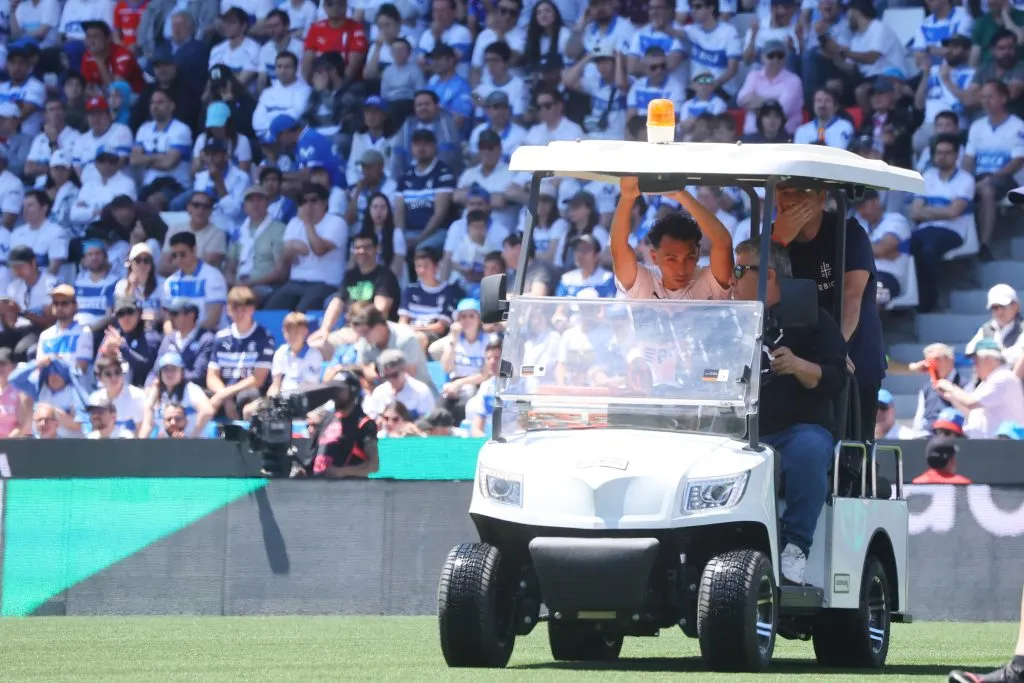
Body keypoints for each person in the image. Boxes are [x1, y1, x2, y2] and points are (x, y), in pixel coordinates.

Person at [731, 237, 847, 585]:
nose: (731, 278)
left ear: (766, 274)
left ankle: (795, 547)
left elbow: (837, 378)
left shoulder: (814, 320)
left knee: (809, 448)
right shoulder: (733, 321)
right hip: (742, 431)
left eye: (739, 270)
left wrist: (797, 365)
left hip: (800, 429)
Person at [772, 183, 886, 442]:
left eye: (802, 192)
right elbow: (755, 286)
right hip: (795, 363)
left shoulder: (849, 232)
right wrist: (776, 243)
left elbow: (851, 297)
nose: (792, 200)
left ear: (822, 198)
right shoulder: (771, 239)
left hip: (853, 356)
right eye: (785, 192)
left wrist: (835, 354)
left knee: (853, 445)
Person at [611, 176, 734, 300]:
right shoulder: (642, 281)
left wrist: (682, 196)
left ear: (698, 254)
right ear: (654, 256)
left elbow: (723, 242)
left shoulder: (711, 282)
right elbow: (618, 248)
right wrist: (626, 198)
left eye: (689, 257)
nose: (681, 270)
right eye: (672, 259)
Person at [935, 338, 1024, 438]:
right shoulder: (986, 382)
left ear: (990, 360)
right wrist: (950, 396)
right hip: (986, 445)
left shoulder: (1003, 377)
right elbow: (972, 413)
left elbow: (971, 402)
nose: (974, 366)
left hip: (1004, 447)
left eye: (976, 361)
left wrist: (950, 387)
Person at [301, 370, 379, 479]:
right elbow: (312, 457)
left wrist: (342, 472)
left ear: (353, 391)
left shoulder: (364, 423)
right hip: (318, 487)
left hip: (347, 490)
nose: (335, 394)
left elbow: (373, 465)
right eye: (334, 389)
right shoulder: (327, 419)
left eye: (339, 390)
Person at [363, 348, 436, 420]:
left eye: (394, 375)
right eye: (386, 376)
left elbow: (429, 421)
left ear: (404, 370)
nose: (391, 380)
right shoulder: (379, 392)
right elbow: (371, 416)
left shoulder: (421, 391)